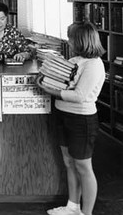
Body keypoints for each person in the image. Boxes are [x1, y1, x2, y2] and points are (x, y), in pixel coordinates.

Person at [37, 21, 105, 215]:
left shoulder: (94, 65)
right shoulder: (76, 60)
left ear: (81, 40)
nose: (69, 42)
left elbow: (79, 96)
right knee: (69, 162)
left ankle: (87, 212)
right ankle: (72, 206)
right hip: (63, 114)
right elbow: (64, 84)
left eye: (71, 38)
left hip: (81, 120)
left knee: (83, 166)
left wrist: (47, 89)